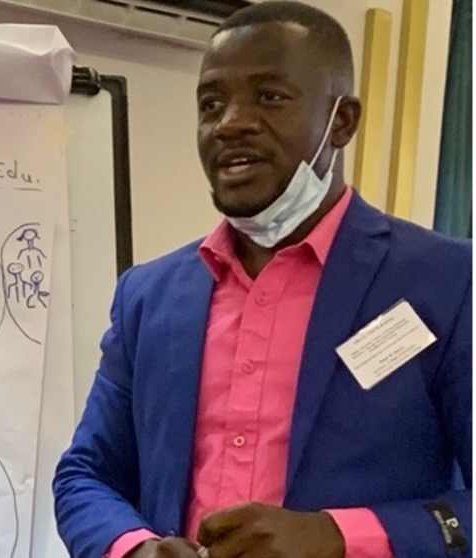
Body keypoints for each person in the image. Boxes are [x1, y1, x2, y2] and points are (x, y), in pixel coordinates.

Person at [52, 2, 472, 558]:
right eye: (211, 103)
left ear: (341, 121)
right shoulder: (148, 296)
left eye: (269, 97)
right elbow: (86, 475)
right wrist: (132, 547)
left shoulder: (448, 282)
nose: (231, 122)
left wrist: (337, 536)